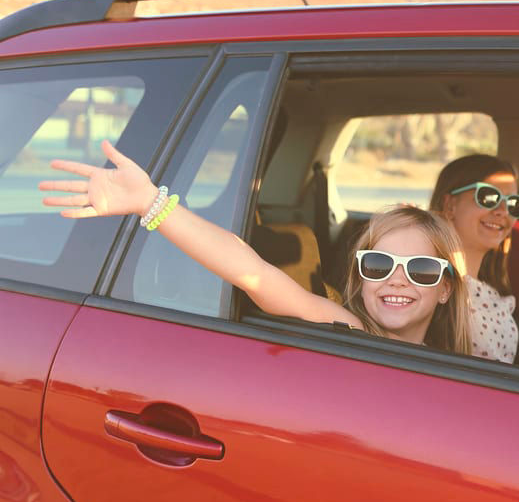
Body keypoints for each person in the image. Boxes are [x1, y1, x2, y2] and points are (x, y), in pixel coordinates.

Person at [39, 140, 472, 354]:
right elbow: (254, 274)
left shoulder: (460, 358)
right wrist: (152, 204)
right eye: (378, 264)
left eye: (421, 269)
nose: (398, 279)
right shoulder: (350, 329)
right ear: (360, 273)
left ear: (447, 287)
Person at [430, 154, 519, 363]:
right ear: (450, 205)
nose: (503, 211)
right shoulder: (429, 285)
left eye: (513, 203)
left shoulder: (493, 291)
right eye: (488, 197)